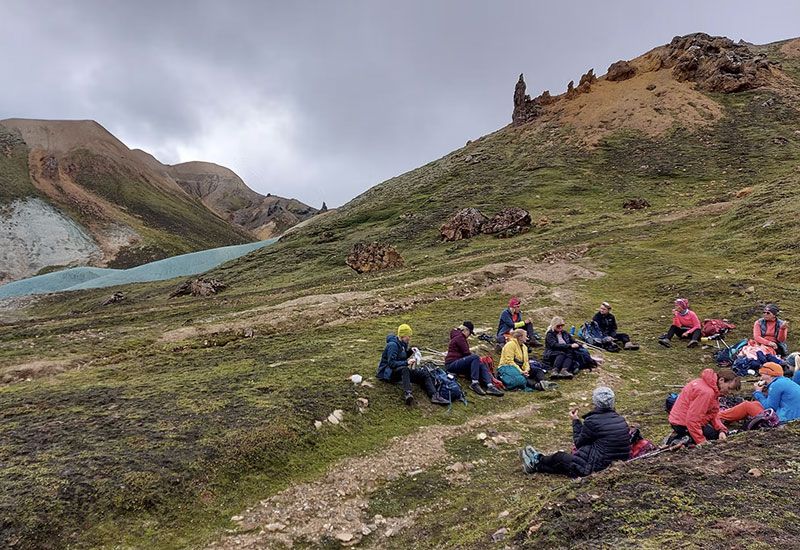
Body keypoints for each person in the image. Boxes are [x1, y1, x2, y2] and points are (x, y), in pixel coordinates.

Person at [520, 387, 630, 477]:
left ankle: (537, 460)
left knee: (560, 457)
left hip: (597, 467)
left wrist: (576, 421)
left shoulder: (592, 421)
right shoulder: (620, 419)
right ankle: (537, 466)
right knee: (565, 465)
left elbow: (578, 443)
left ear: (595, 402)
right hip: (616, 463)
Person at [377, 323, 449, 406]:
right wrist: (406, 362)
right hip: (388, 373)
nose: (410, 338)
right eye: (408, 336)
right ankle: (408, 394)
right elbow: (391, 363)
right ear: (403, 335)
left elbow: (402, 356)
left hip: (399, 370)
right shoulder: (393, 345)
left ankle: (434, 395)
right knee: (405, 369)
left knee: (423, 373)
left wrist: (411, 350)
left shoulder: (403, 344)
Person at [667, 368, 740, 444]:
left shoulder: (710, 387)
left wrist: (721, 430)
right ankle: (680, 438)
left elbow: (713, 413)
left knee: (716, 434)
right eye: (729, 388)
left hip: (682, 420)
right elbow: (692, 420)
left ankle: (682, 437)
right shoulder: (707, 393)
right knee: (713, 438)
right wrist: (702, 442)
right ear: (721, 380)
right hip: (682, 423)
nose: (729, 392)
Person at [719, 362, 800, 425]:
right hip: (793, 417)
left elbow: (769, 407)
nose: (761, 378)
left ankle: (719, 417)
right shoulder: (784, 381)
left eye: (762, 375)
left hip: (784, 420)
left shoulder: (776, 385)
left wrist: (758, 392)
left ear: (769, 374)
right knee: (756, 404)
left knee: (747, 405)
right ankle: (725, 417)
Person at [445, 321, 504, 396]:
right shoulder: (460, 338)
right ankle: (474, 383)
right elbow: (466, 353)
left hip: (458, 363)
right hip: (451, 364)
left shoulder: (459, 337)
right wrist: (476, 358)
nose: (469, 335)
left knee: (481, 364)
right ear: (465, 330)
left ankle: (490, 386)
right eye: (469, 333)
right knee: (475, 358)